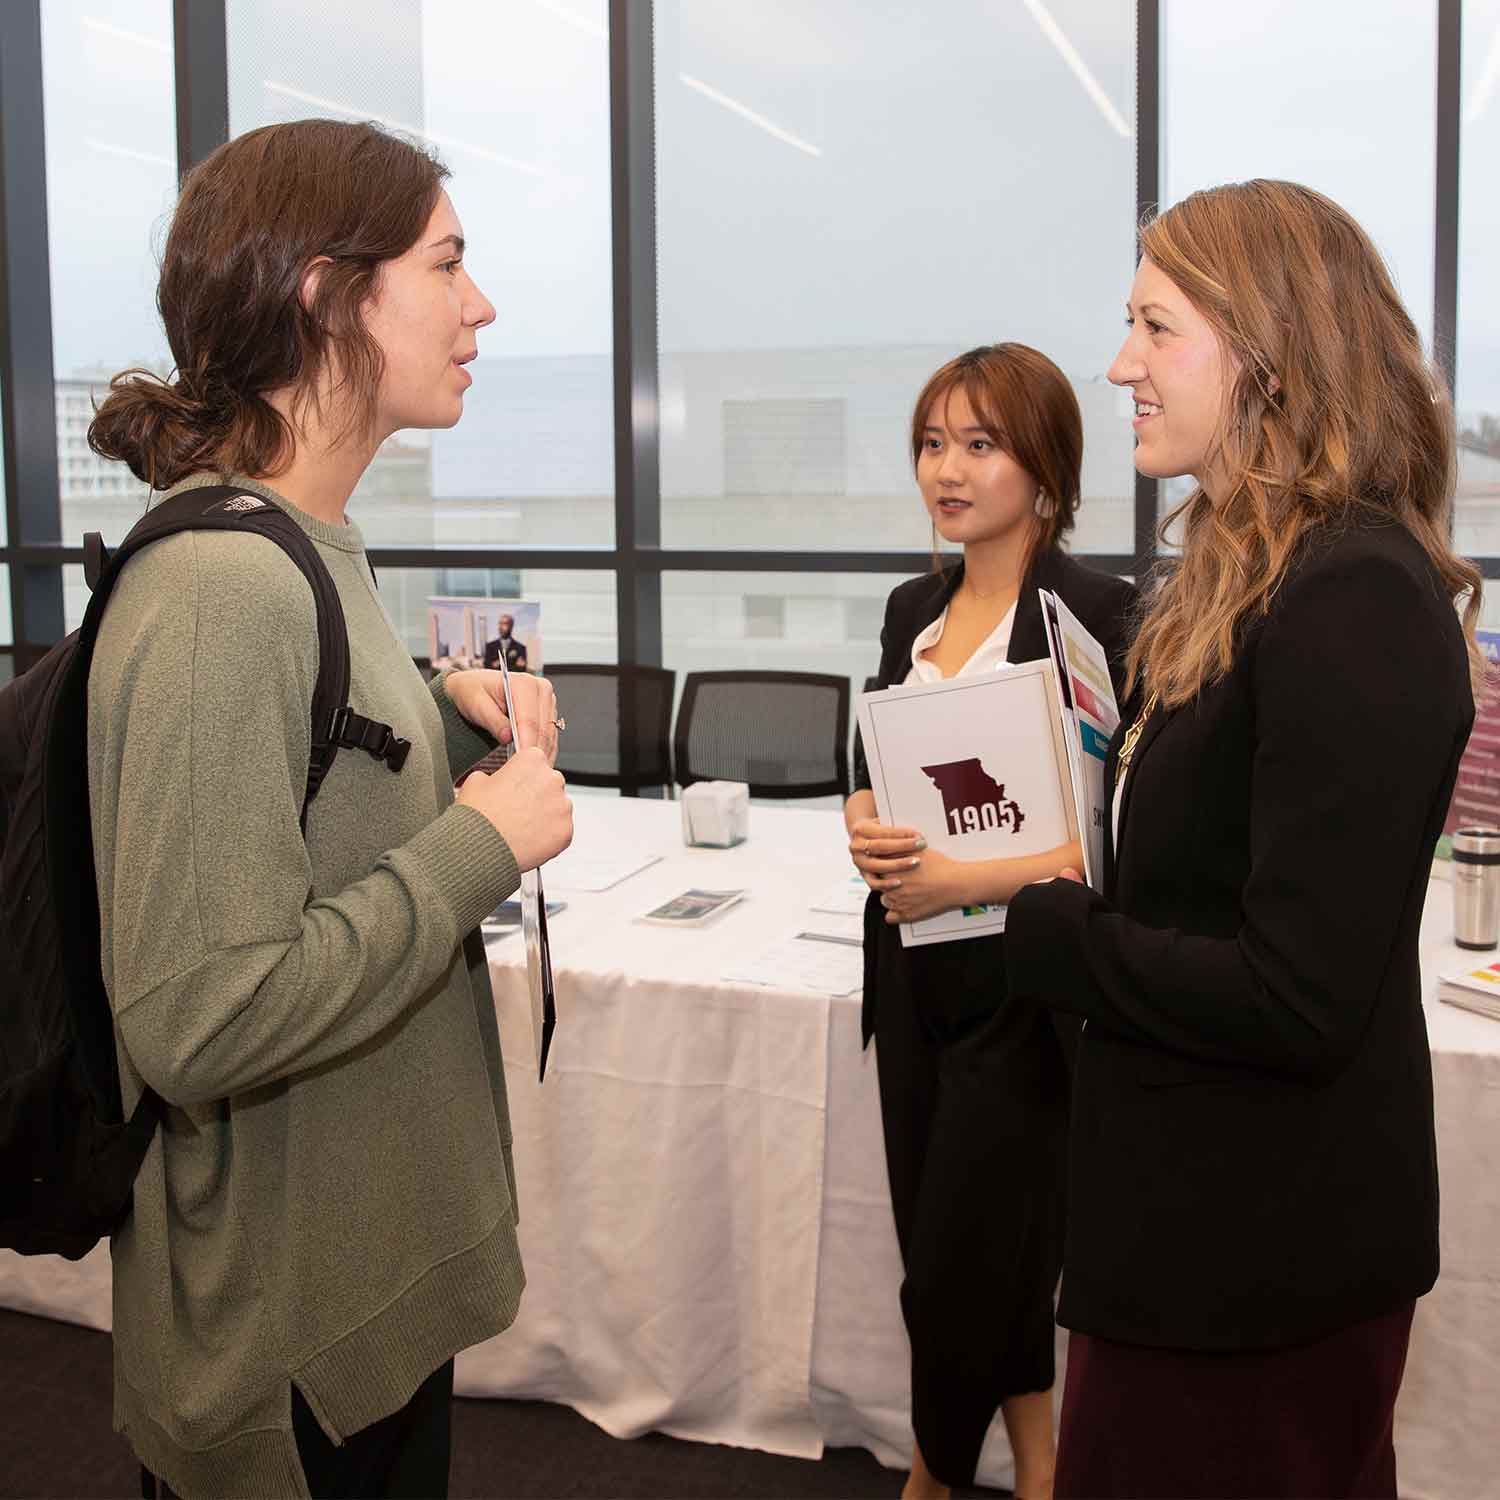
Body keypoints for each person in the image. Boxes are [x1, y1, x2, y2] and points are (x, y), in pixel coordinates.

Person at [84, 120, 574, 1498]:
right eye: (448, 265)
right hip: (288, 1362)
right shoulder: (222, 593)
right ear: (326, 292)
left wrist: (431, 703)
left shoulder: (303, 550)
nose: (479, 307)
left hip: (353, 1313)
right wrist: (481, 848)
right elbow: (202, 1013)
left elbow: (298, 793)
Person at [1003, 180, 1481, 1498]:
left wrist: (1053, 932)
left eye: (1156, 329)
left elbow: (1298, 994)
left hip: (1263, 1260)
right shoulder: (1247, 575)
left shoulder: (1355, 595)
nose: (1120, 365)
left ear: (1271, 350)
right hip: (1191, 1228)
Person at [846, 344, 1137, 1500]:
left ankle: (930, 1472)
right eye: (931, 442)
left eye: (979, 444)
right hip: (910, 975)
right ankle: (1039, 1459)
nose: (947, 470)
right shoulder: (912, 605)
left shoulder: (1104, 617)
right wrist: (866, 825)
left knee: (963, 1263)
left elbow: (1111, 844)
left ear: (1046, 468)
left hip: (1026, 991)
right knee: (953, 1239)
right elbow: (864, 767)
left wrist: (965, 876)